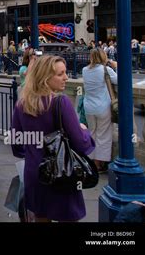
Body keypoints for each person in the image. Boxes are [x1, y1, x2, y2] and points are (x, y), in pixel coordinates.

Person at [11, 55, 95, 222]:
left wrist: (33, 150)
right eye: (60, 74)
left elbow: (17, 146)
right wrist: (84, 131)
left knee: (41, 217)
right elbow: (81, 143)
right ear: (45, 78)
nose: (66, 77)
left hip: (35, 174)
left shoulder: (22, 104)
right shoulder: (60, 102)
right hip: (62, 173)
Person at [82, 49, 118, 173]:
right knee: (103, 135)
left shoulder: (85, 70)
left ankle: (90, 161)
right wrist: (115, 66)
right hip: (103, 106)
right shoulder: (105, 70)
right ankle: (98, 164)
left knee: (92, 133)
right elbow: (119, 80)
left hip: (89, 107)